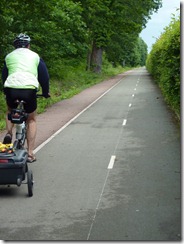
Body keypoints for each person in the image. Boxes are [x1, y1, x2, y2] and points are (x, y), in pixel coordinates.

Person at [2, 33, 50, 162]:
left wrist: (5, 90)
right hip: (29, 90)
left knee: (9, 112)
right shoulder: (35, 56)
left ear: (15, 46)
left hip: (11, 88)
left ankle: (9, 134)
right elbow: (44, 77)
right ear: (28, 45)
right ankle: (30, 153)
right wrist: (45, 92)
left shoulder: (9, 56)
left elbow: (4, 76)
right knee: (32, 119)